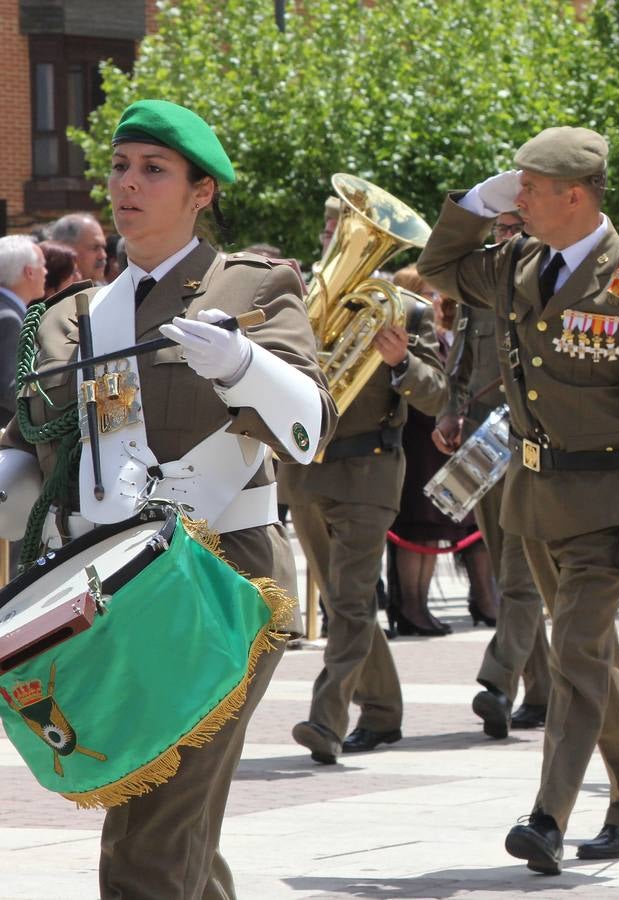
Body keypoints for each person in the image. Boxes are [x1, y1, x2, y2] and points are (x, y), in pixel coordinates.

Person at [0, 98, 331, 899]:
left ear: (201, 191)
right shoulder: (70, 318)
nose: (129, 184)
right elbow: (28, 460)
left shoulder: (252, 284)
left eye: (154, 169)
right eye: (120, 166)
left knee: (150, 836)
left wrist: (244, 364)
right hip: (110, 585)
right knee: (170, 820)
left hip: (222, 577)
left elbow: (312, 427)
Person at [418, 126, 619, 872]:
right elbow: (437, 264)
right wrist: (476, 201)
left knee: (573, 654)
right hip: (532, 496)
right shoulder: (515, 264)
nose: (520, 200)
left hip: (607, 499)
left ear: (575, 195)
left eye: (531, 188)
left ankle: (548, 817)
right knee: (589, 661)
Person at [286, 230, 450, 763]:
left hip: (369, 473)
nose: (339, 242)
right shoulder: (299, 305)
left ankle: (326, 720)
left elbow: (436, 392)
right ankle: (382, 712)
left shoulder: (407, 312)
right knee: (341, 603)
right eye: (334, 231)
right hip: (308, 472)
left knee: (352, 603)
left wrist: (401, 362)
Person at [436, 204, 551, 740]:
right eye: (499, 230)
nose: (502, 240)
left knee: (523, 573)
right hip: (485, 446)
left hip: (538, 445)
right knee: (509, 572)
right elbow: (459, 365)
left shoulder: (557, 285)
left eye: (513, 230)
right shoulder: (480, 290)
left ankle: (498, 682)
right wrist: (448, 413)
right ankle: (545, 690)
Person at [387, 266, 497, 632]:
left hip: (443, 447)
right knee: (418, 531)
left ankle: (476, 601)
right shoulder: (410, 336)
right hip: (419, 444)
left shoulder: (444, 335)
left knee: (449, 529)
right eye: (428, 294)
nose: (436, 301)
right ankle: (411, 608)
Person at [0, 236, 46, 419]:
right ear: (29, 272)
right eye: (42, 265)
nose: (46, 272)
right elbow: (10, 389)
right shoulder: (9, 318)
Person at [46, 212, 108, 283]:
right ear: (66, 248)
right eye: (95, 248)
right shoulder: (40, 292)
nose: (103, 255)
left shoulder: (107, 292)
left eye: (103, 247)